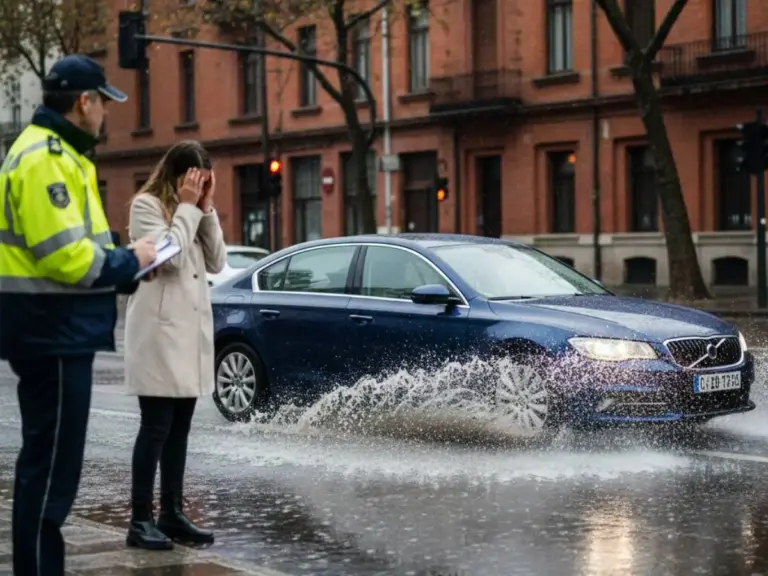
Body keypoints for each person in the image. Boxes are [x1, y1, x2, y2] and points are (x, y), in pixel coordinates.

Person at [0, 54, 158, 575]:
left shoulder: (54, 154)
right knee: (50, 474)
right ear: (84, 103)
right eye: (103, 104)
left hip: (52, 326)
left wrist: (127, 269)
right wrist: (127, 260)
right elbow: (66, 255)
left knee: (46, 467)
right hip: (53, 330)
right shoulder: (47, 159)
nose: (107, 115)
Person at [124, 140, 226, 550]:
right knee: (155, 428)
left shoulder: (195, 212)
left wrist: (206, 209)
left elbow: (218, 261)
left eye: (206, 181)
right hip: (159, 335)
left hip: (188, 336)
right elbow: (168, 257)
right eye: (195, 179)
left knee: (179, 430)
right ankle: (139, 520)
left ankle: (171, 513)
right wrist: (186, 207)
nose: (200, 186)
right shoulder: (145, 206)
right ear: (178, 175)